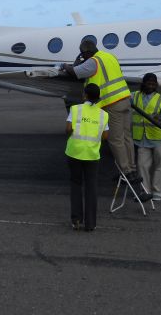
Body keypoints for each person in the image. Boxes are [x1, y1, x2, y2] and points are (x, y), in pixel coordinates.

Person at [61, 40, 139, 182]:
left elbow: (74, 71)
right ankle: (132, 168)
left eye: (82, 53)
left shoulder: (93, 62)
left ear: (86, 52)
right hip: (125, 99)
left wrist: (65, 65)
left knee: (115, 140)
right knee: (127, 138)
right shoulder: (109, 56)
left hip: (113, 103)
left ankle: (126, 172)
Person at [65, 83, 109, 231]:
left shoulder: (75, 109)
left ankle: (76, 220)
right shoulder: (103, 114)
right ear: (98, 98)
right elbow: (105, 135)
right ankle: (91, 224)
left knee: (76, 184)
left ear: (84, 95)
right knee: (91, 187)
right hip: (92, 154)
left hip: (74, 152)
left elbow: (68, 128)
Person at [131, 73, 161, 201]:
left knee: (159, 166)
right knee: (142, 165)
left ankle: (157, 194)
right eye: (149, 83)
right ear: (143, 83)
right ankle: (145, 192)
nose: (151, 86)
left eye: (153, 84)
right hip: (142, 138)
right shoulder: (134, 96)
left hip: (159, 138)